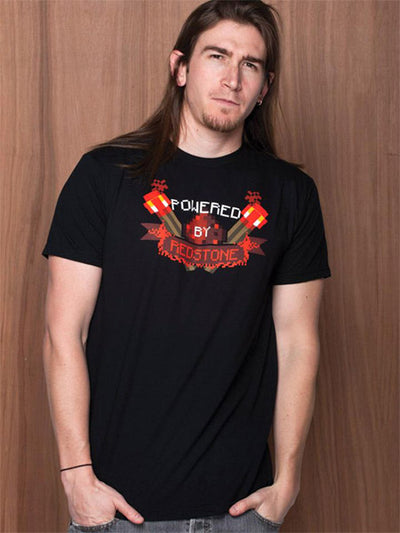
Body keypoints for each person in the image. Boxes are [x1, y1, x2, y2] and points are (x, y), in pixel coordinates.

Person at [41, 1, 331, 532]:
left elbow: (297, 343)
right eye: (217, 56)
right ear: (180, 67)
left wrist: (287, 481)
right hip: (118, 511)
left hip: (240, 512)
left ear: (264, 87)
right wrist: (76, 475)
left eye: (250, 64)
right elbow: (65, 331)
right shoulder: (105, 175)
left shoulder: (291, 194)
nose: (232, 78)